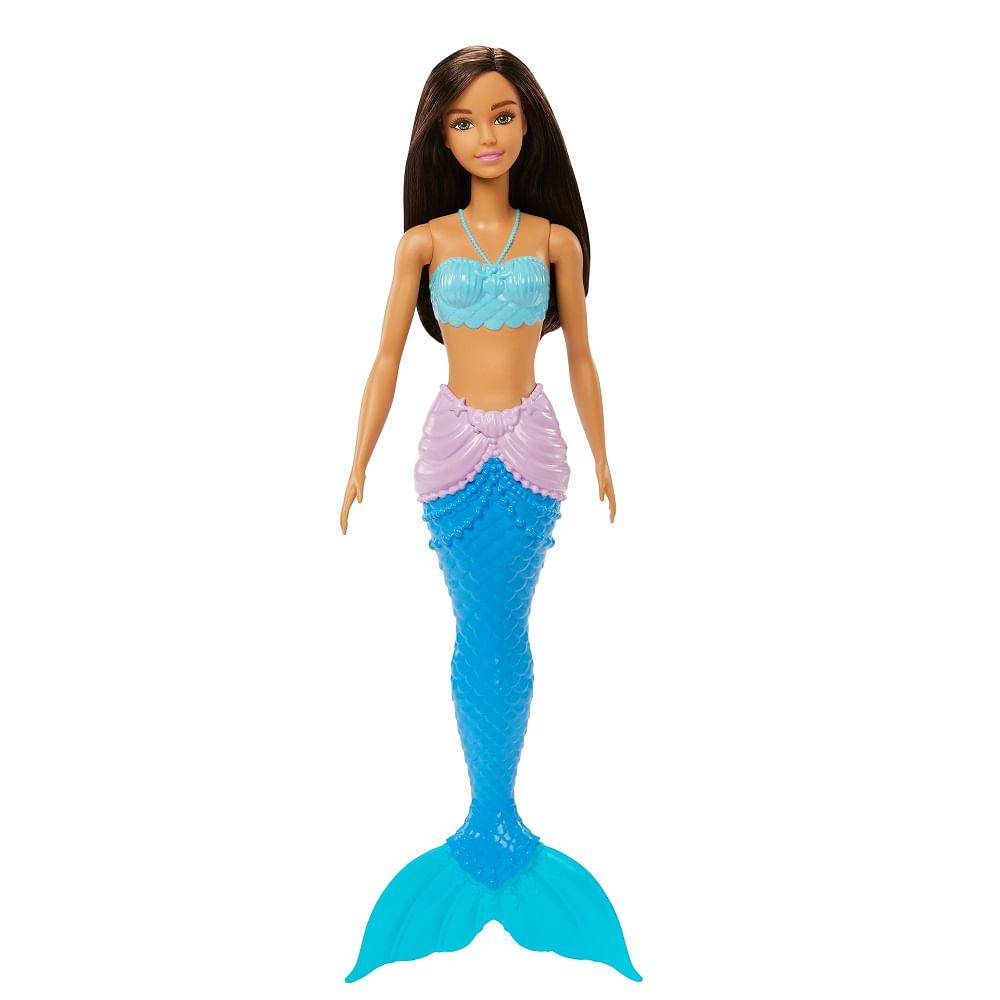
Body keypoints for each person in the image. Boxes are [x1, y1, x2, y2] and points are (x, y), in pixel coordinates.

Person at [340, 45, 639, 983]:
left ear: (528, 125)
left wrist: (603, 454)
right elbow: (387, 357)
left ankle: (494, 823)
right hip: (453, 451)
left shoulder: (555, 242)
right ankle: (489, 824)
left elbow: (581, 355)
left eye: (503, 116)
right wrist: (356, 460)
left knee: (503, 627)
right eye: (465, 121)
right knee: (483, 628)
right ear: (441, 136)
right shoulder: (423, 243)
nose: (486, 135)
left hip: (536, 450)